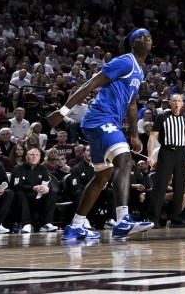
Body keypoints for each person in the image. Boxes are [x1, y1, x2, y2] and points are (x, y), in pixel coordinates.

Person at [49, 28, 155, 241]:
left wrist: (134, 135)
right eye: (140, 36)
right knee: (124, 160)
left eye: (149, 36)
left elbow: (132, 105)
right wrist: (62, 112)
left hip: (108, 122)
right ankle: (123, 219)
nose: (146, 39)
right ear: (132, 43)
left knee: (102, 177)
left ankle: (76, 226)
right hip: (100, 118)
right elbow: (90, 84)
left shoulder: (139, 71)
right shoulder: (124, 61)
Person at [147, 93, 185, 226]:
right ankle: (154, 219)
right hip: (167, 150)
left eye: (179, 101)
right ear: (170, 103)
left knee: (181, 186)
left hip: (181, 152)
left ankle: (176, 217)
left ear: (182, 104)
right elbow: (152, 137)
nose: (176, 103)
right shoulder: (162, 117)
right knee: (160, 185)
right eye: (174, 100)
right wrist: (150, 155)